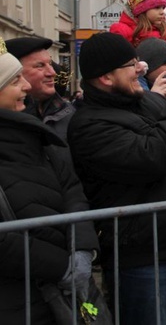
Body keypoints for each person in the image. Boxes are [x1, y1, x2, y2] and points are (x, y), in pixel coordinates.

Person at [67, 32, 166, 325]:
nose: (141, 69)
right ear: (107, 78)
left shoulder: (148, 102)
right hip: (144, 263)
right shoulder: (88, 124)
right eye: (131, 65)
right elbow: (155, 156)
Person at [0, 37, 99, 324]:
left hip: (59, 294)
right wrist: (60, 266)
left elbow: (72, 190)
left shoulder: (37, 135)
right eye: (14, 79)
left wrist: (82, 248)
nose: (26, 86)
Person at [5, 37, 76, 166]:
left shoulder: (70, 114)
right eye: (40, 66)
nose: (52, 72)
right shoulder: (8, 123)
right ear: (14, 73)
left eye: (50, 63)